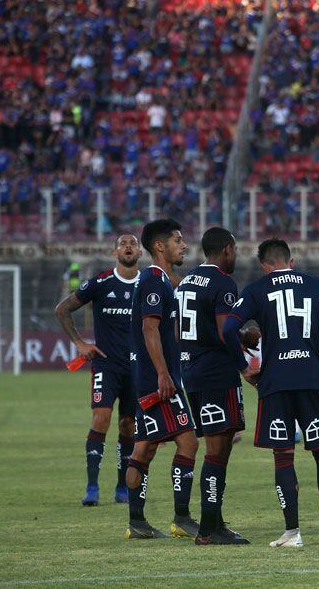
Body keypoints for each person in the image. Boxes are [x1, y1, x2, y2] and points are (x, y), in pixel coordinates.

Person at [222, 238, 319, 547]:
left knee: (283, 456)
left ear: (264, 266)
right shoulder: (318, 285)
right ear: (291, 261)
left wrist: (245, 367)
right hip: (312, 379)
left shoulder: (257, 289)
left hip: (276, 382)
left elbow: (229, 329)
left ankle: (292, 533)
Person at [125, 218, 199, 540]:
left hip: (150, 378)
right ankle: (182, 518)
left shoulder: (158, 280)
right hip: (158, 382)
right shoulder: (155, 280)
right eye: (177, 240)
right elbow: (149, 329)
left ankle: (137, 523)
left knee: (144, 449)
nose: (183, 245)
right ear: (160, 246)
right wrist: (163, 374)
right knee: (188, 441)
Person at [55, 235, 141, 506]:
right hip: (107, 364)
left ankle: (121, 487)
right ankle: (92, 487)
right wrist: (80, 343)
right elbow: (63, 309)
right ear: (115, 251)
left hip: (137, 367)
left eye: (133, 243)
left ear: (140, 251)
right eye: (123, 243)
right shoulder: (101, 283)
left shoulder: (149, 283)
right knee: (101, 418)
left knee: (128, 425)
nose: (128, 246)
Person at [175, 227, 248, 545]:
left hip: (191, 372)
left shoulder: (187, 280)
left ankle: (213, 520)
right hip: (217, 374)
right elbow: (225, 331)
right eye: (236, 251)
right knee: (218, 449)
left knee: (218, 446)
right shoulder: (223, 282)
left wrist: (243, 336)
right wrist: (245, 363)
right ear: (228, 249)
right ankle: (209, 528)